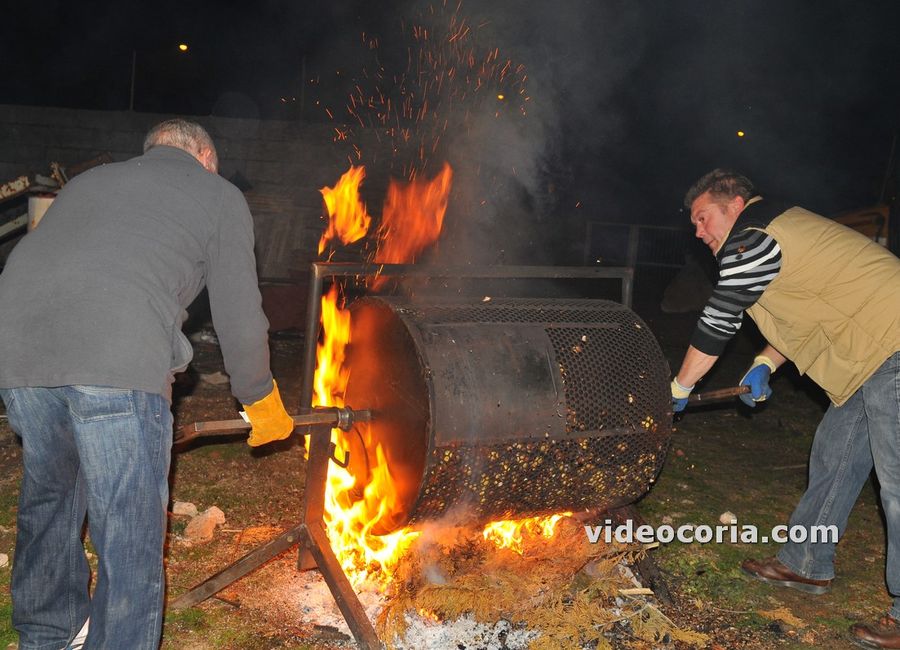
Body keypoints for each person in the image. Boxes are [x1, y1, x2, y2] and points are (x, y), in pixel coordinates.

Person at [0, 119, 294, 649]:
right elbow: (239, 310)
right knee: (128, 526)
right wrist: (258, 396)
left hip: (19, 347)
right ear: (205, 156)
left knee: (50, 497)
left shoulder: (91, 182)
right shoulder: (218, 193)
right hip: (118, 355)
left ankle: (49, 634)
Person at [670, 169, 900, 648]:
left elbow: (719, 319)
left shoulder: (751, 240)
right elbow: (809, 308)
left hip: (893, 344)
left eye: (703, 217)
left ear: (733, 205)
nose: (698, 231)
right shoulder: (772, 233)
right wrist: (763, 363)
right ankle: (806, 563)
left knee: (897, 487)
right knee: (835, 452)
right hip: (870, 350)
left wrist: (680, 385)